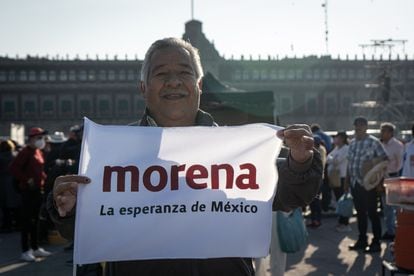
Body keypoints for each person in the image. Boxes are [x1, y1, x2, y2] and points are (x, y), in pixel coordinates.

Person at [47, 37, 322, 276]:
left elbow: (291, 195)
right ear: (143, 87)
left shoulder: (234, 150)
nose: (174, 81)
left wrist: (300, 163)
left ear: (199, 84)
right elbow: (89, 230)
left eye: (184, 72)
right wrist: (70, 208)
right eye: (161, 73)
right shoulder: (113, 155)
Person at [10, 127, 52, 262]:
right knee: (27, 221)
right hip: (28, 191)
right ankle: (25, 250)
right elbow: (14, 168)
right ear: (31, 139)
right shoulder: (25, 152)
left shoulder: (38, 152)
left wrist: (43, 177)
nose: (41, 140)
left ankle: (35, 247)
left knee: (36, 221)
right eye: (38, 138)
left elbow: (39, 169)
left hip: (37, 190)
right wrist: (26, 179)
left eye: (42, 138)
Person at [347, 117, 388, 253]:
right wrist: (347, 182)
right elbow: (350, 163)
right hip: (355, 184)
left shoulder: (374, 142)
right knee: (360, 214)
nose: (357, 128)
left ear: (366, 126)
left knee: (372, 213)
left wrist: (378, 182)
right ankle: (362, 240)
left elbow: (385, 161)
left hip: (369, 185)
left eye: (360, 125)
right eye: (356, 125)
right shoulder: (352, 143)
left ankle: (376, 242)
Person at [379, 122, 404, 241]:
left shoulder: (397, 145)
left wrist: (390, 172)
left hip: (392, 176)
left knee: (392, 206)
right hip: (381, 177)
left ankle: (393, 231)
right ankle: (389, 230)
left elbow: (399, 164)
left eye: (384, 131)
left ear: (390, 133)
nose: (382, 133)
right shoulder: (380, 144)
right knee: (385, 205)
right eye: (381, 131)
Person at [327, 131, 351, 232]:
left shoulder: (346, 149)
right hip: (335, 177)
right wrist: (332, 159)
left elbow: (337, 160)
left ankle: (345, 223)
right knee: (338, 199)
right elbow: (328, 158)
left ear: (341, 138)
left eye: (336, 137)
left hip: (343, 177)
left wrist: (332, 159)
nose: (335, 139)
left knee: (343, 200)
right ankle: (341, 221)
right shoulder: (336, 148)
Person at [0, 140, 21, 233]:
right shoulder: (16, 155)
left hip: (2, 182)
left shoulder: (0, 157)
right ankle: (17, 224)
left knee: (5, 206)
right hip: (14, 181)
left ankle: (7, 225)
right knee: (16, 205)